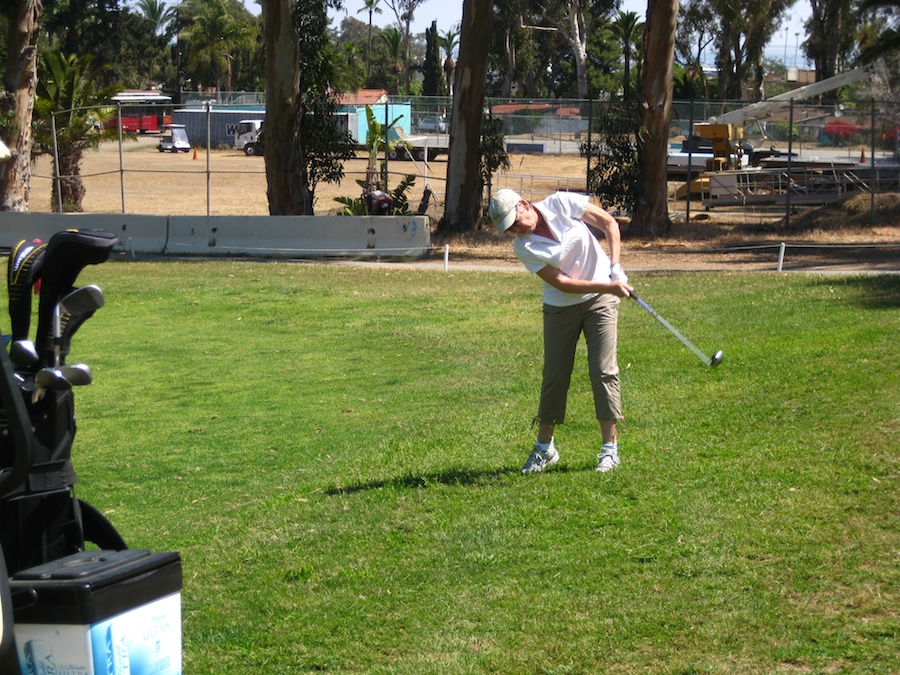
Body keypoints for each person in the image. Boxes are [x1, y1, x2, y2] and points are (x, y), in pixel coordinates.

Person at [488, 189, 633, 474]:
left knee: (603, 371)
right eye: (509, 229)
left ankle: (610, 450)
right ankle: (545, 448)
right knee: (555, 376)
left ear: (524, 204)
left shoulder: (560, 203)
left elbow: (609, 224)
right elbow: (563, 284)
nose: (515, 230)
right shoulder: (523, 247)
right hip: (560, 307)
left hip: (601, 301)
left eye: (514, 222)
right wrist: (608, 285)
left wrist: (615, 267)